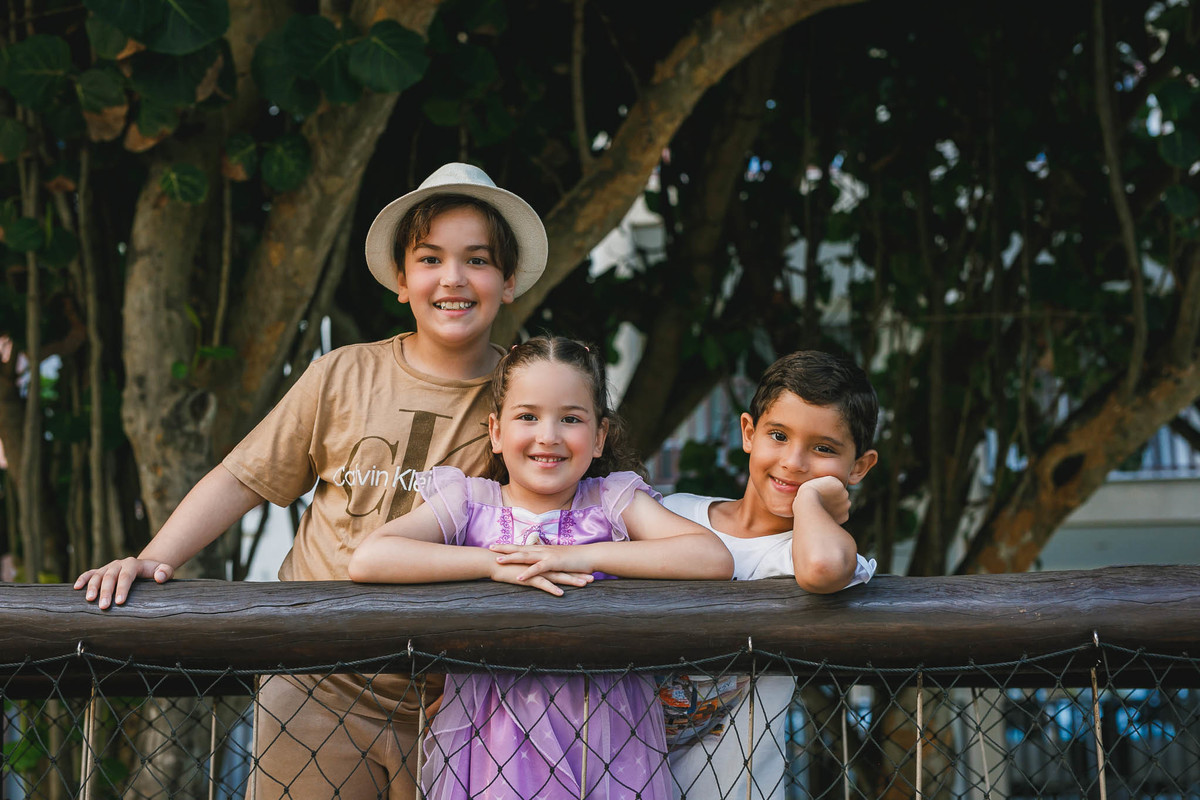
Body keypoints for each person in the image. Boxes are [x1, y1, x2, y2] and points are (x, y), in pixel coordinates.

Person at [73, 162, 550, 799]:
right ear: (401, 281)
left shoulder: (528, 400)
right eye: (430, 259)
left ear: (508, 281)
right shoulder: (342, 375)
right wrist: (151, 557)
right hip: (315, 681)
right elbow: (242, 477)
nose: (453, 278)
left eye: (478, 260)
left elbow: (577, 512)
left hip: (461, 699)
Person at [349, 336, 735, 800]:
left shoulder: (611, 502)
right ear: (496, 432)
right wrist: (493, 564)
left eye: (570, 419)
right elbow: (371, 557)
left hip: (608, 732)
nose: (548, 435)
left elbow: (712, 558)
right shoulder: (471, 502)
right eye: (528, 416)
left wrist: (578, 556)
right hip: (495, 736)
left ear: (599, 437)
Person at [659, 350, 880, 800]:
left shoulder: (811, 550)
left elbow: (822, 568)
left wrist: (809, 502)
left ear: (859, 466)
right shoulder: (674, 514)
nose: (794, 462)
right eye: (778, 435)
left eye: (823, 448)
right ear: (748, 432)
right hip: (620, 775)